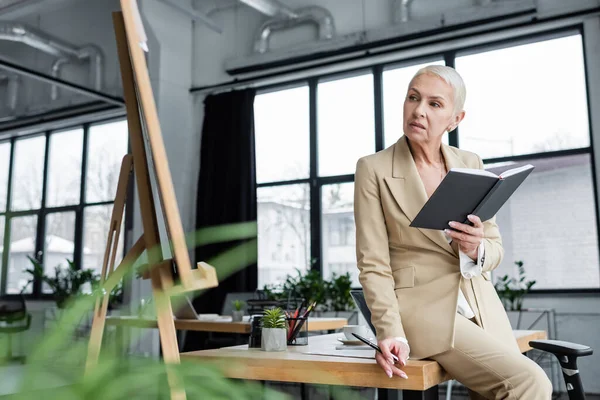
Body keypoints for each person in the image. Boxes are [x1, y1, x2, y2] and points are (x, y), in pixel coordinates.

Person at [353, 65, 552, 399]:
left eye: (434, 104)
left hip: (481, 305)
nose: (418, 110)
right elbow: (373, 263)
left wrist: (477, 249)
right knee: (530, 382)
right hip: (421, 312)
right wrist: (390, 332)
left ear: (455, 119)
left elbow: (495, 248)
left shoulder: (469, 162)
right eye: (413, 98)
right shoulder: (373, 169)